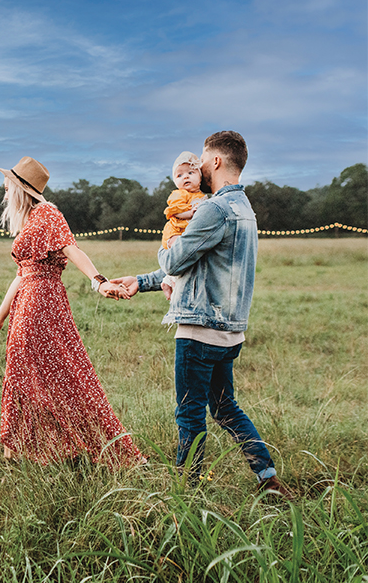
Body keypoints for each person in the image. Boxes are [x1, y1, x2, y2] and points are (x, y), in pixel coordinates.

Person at [112, 132, 293, 497]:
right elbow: (199, 264)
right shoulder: (244, 209)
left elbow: (176, 259)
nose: (198, 167)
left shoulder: (213, 209)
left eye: (203, 160)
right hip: (230, 332)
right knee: (225, 408)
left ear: (216, 162)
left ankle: (186, 491)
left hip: (200, 330)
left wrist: (166, 245)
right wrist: (142, 281)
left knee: (189, 413)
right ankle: (268, 478)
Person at [0, 156, 145, 468]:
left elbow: (72, 248)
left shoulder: (47, 213)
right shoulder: (30, 219)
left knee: (55, 373)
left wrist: (99, 282)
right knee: (28, 369)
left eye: (7, 186)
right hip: (26, 299)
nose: (4, 191)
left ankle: (56, 445)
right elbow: (21, 273)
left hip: (41, 301)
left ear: (21, 188)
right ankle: (26, 447)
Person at [160, 151, 207, 291]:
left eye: (190, 173)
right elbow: (175, 211)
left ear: (200, 177)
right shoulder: (179, 194)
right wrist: (190, 213)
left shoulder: (202, 196)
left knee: (188, 256)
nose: (185, 176)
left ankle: (168, 280)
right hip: (176, 230)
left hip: (187, 231)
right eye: (179, 175)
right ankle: (170, 280)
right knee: (179, 251)